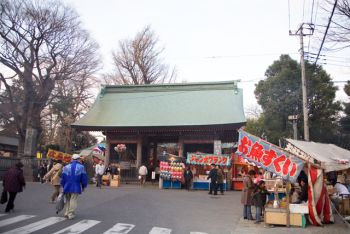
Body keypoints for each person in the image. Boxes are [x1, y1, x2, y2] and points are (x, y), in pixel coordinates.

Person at [60, 154, 88, 220]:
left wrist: (63, 186)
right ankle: (71, 214)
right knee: (73, 199)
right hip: (76, 186)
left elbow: (63, 178)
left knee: (67, 200)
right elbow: (84, 178)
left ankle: (66, 212)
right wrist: (84, 186)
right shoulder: (81, 167)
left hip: (67, 186)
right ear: (78, 159)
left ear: (72, 159)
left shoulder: (66, 167)